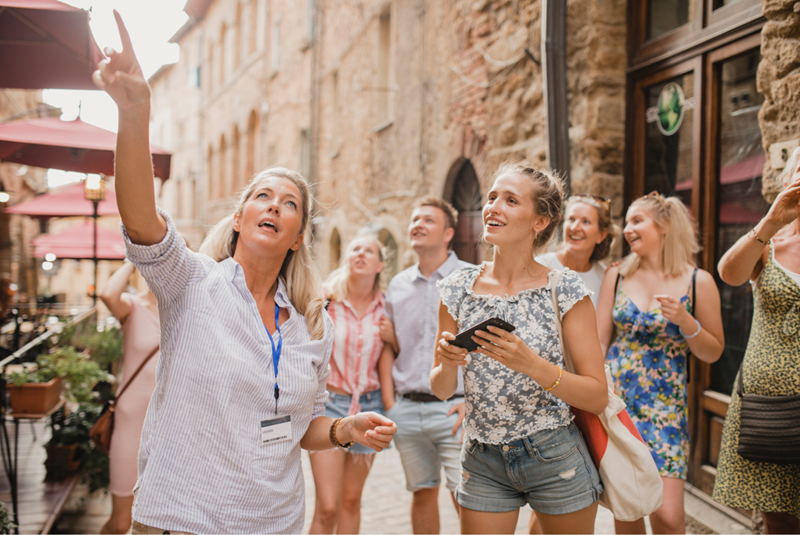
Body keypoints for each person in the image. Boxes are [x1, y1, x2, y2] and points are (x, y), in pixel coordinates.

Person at [93, 12, 396, 533]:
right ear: (239, 218)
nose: (274, 207)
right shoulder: (190, 284)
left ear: (299, 235)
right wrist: (135, 113)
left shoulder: (308, 324)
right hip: (181, 520)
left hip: (274, 522)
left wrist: (346, 428)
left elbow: (303, 428)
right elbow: (141, 220)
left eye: (289, 203)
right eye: (262, 196)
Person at [432, 162, 608, 535]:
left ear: (539, 221)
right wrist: (448, 364)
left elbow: (596, 396)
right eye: (492, 197)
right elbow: (442, 389)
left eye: (510, 200)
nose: (493, 207)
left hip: (555, 454)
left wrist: (531, 364)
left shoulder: (565, 289)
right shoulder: (458, 288)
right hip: (482, 457)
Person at [595, 192, 725, 535]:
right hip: (619, 408)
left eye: (637, 221)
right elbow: (598, 342)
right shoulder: (617, 275)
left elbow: (712, 351)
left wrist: (686, 322)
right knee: (628, 511)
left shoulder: (699, 281)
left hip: (665, 410)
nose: (627, 229)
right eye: (627, 222)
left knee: (668, 519)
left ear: (665, 226)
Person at [712, 155, 800, 534]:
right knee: (777, 515)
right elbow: (729, 274)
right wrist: (771, 222)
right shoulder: (771, 241)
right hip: (769, 408)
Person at [378, 196, 469, 534]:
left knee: (468, 498)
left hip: (455, 411)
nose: (418, 224)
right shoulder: (398, 285)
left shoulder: (472, 279)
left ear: (448, 233)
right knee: (421, 494)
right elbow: (390, 348)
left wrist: (472, 404)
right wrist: (391, 406)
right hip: (408, 411)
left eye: (428, 220)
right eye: (415, 219)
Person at [310, 235, 392, 534]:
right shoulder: (326, 300)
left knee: (351, 501)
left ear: (380, 264)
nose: (361, 253)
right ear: (346, 258)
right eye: (355, 248)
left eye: (369, 251)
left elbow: (392, 355)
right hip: (330, 407)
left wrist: (393, 338)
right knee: (327, 506)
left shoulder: (386, 309)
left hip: (370, 408)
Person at [98, 261, 159, 534]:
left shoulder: (187, 312)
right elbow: (108, 294)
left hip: (168, 427)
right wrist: (134, 257)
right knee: (121, 522)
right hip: (130, 422)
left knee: (158, 521)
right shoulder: (133, 307)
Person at [536, 194, 618, 307]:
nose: (574, 227)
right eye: (571, 219)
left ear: (601, 235)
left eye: (586, 222)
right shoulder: (540, 265)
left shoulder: (604, 277)